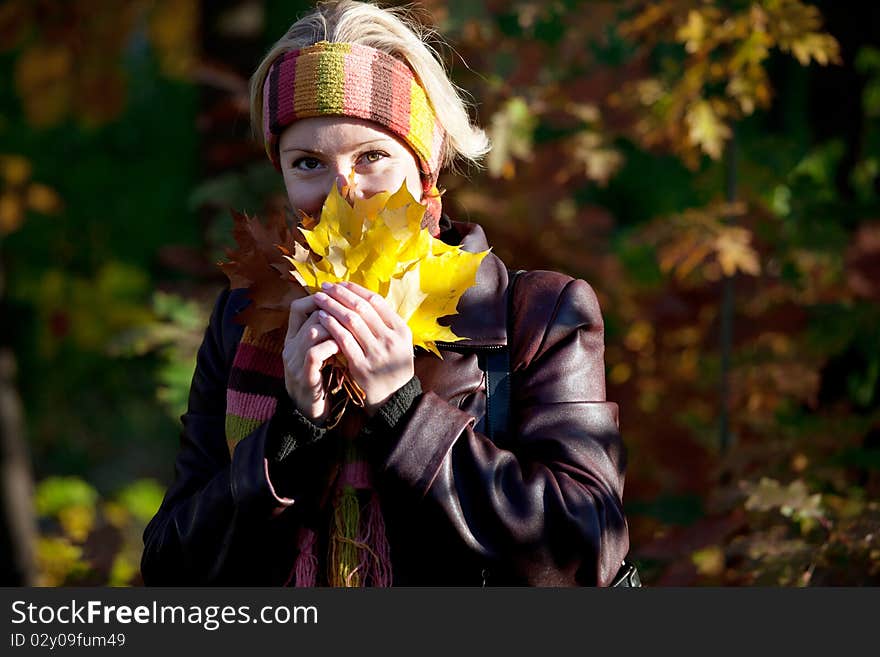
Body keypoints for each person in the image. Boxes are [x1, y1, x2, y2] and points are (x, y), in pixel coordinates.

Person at [141, 0, 630, 587]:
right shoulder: (245, 319)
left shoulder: (538, 315)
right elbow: (171, 568)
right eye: (307, 163)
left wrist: (403, 412)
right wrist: (295, 431)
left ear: (427, 167)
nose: (341, 190)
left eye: (372, 156)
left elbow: (587, 549)